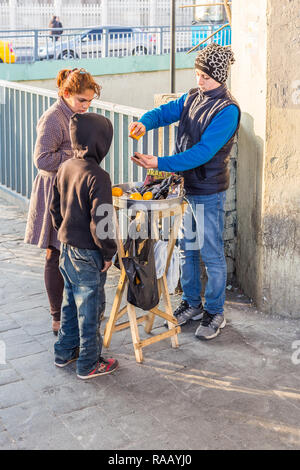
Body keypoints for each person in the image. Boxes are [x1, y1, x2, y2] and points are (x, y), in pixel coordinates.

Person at [129, 43, 240, 341]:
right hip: (186, 188)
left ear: (219, 75)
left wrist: (159, 163)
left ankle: (215, 311)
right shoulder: (192, 96)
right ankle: (191, 303)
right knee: (186, 247)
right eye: (197, 74)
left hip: (208, 190)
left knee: (211, 252)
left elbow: (202, 153)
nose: (199, 80)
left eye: (204, 76)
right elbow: (166, 112)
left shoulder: (228, 111)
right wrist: (145, 122)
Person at [24, 68, 101, 335]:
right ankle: (57, 317)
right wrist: (75, 157)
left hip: (72, 190)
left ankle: (71, 312)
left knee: (70, 252)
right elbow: (42, 160)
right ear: (66, 94)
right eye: (82, 100)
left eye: (90, 102)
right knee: (54, 253)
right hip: (53, 191)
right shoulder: (53, 118)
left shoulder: (79, 115)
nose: (86, 106)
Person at [50, 112, 119, 379]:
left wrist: (63, 231)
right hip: (88, 252)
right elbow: (102, 221)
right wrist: (108, 252)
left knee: (70, 301)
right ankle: (89, 363)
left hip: (66, 248)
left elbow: (55, 207)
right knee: (90, 308)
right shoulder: (98, 176)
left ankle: (64, 352)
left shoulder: (66, 167)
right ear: (100, 142)